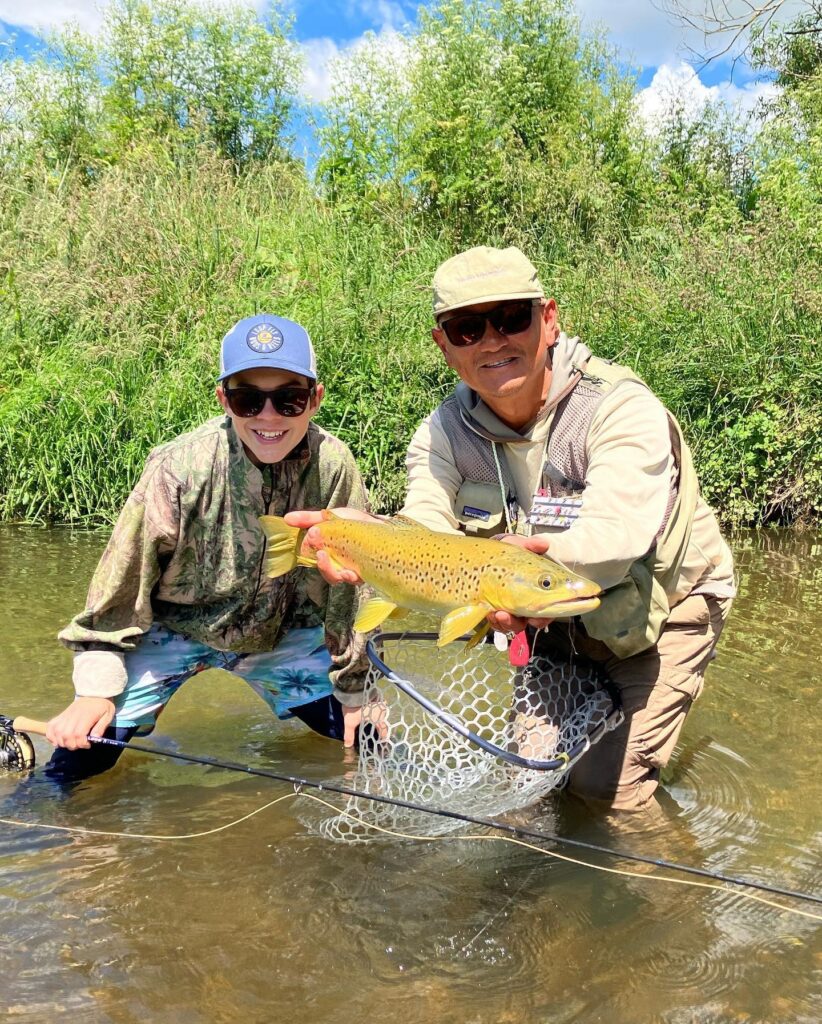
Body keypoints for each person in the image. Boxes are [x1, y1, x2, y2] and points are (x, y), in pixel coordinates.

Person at [288, 246, 736, 813]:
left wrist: (529, 566)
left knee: (606, 796)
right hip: (536, 605)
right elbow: (425, 526)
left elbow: (617, 536)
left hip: (667, 606)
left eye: (511, 318)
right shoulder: (442, 434)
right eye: (467, 329)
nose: (492, 341)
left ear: (548, 320)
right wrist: (370, 537)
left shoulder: (618, 407)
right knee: (528, 784)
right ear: (444, 346)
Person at [45, 313, 371, 780]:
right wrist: (95, 689)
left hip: (279, 635)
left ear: (314, 399)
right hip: (172, 631)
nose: (268, 416)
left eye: (289, 399)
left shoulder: (334, 467)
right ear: (224, 400)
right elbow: (121, 584)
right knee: (77, 763)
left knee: (367, 743)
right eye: (247, 399)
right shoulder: (178, 467)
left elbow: (352, 589)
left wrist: (357, 688)